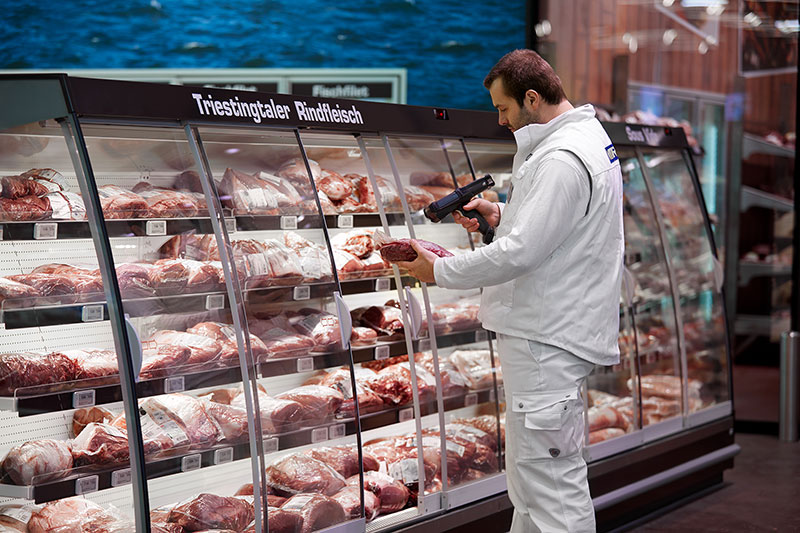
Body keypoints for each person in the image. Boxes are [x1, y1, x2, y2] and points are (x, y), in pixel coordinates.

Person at [396, 49, 624, 532]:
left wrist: (440, 271)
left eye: (503, 109)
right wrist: (502, 216)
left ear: (533, 98)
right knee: (531, 480)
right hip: (550, 333)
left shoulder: (563, 157)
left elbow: (521, 253)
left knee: (550, 483)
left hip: (548, 339)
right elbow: (552, 232)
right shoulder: (580, 139)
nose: (500, 120)